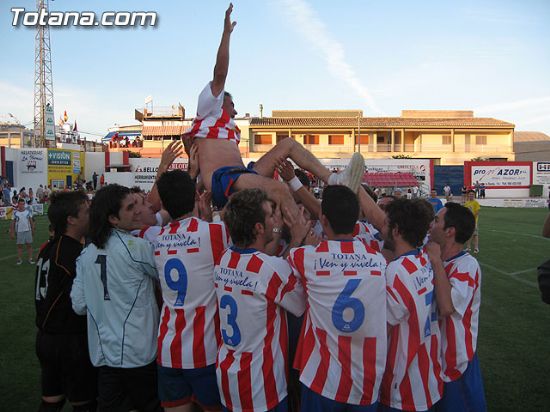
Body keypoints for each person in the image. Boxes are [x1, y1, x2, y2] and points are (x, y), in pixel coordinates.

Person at [185, 4, 364, 216]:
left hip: (242, 174)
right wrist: (226, 34)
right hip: (222, 179)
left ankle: (335, 180)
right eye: (232, 104)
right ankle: (303, 229)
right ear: (219, 100)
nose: (235, 111)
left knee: (288, 144)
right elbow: (220, 73)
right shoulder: (208, 110)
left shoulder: (226, 129)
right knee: (280, 190)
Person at [288, 185, 387, 411]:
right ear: (356, 219)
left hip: (322, 379)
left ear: (323, 219)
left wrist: (298, 237)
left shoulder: (305, 257)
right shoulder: (378, 261)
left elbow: (283, 271)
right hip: (366, 379)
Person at [71, 184, 162, 412]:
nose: (137, 211)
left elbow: (79, 305)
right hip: (139, 353)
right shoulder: (138, 247)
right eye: (130, 208)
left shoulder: (85, 256)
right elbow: (166, 278)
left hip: (105, 356)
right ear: (113, 218)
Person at [214, 189, 307, 412]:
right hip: (261, 386)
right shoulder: (268, 269)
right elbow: (300, 303)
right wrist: (298, 238)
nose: (275, 219)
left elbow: (266, 265)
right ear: (258, 227)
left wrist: (277, 230)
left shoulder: (224, 259)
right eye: (271, 215)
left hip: (228, 378)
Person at [151, 169, 230, 412]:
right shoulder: (215, 233)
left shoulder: (156, 240)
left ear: (163, 204)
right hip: (205, 351)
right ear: (197, 196)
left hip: (167, 349)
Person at [34, 190, 97, 412]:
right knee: (84, 402)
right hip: (68, 339)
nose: (91, 215)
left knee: (52, 399)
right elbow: (80, 301)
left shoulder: (49, 248)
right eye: (87, 211)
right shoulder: (71, 253)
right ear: (71, 219)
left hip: (46, 336)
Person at [379, 198, 442, 412]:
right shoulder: (423, 259)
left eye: (387, 223)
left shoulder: (397, 271)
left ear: (396, 231)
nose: (382, 227)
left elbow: (383, 330)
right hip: (425, 375)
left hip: (403, 384)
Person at [427, 202, 486, 411]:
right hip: (435, 361)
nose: (431, 225)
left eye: (436, 221)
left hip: (456, 363)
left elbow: (447, 307)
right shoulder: (435, 258)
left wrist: (435, 262)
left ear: (450, 231)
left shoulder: (467, 265)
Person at [10, 197, 35, 265]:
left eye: (23, 204)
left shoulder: (28, 212)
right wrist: (12, 232)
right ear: (18, 204)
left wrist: (33, 230)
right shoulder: (15, 213)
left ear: (24, 204)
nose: (22, 205)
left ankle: (30, 259)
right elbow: (13, 223)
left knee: (29, 245)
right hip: (19, 231)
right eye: (20, 204)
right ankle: (19, 259)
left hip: (28, 231)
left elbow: (31, 221)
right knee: (20, 246)